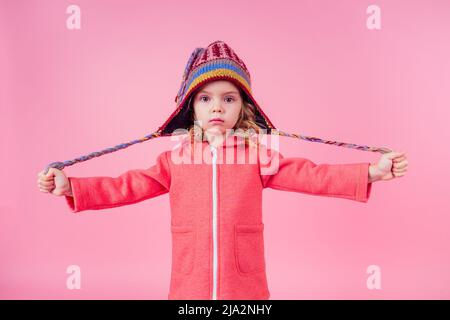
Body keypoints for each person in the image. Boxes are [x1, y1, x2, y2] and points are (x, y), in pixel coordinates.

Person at [37, 40, 408, 300]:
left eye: (228, 99)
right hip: (190, 282)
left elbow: (309, 174)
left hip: (243, 282)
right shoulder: (175, 160)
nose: (217, 107)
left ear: (242, 108)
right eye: (205, 98)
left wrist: (370, 172)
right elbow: (127, 185)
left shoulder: (256, 155)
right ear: (191, 108)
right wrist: (72, 187)